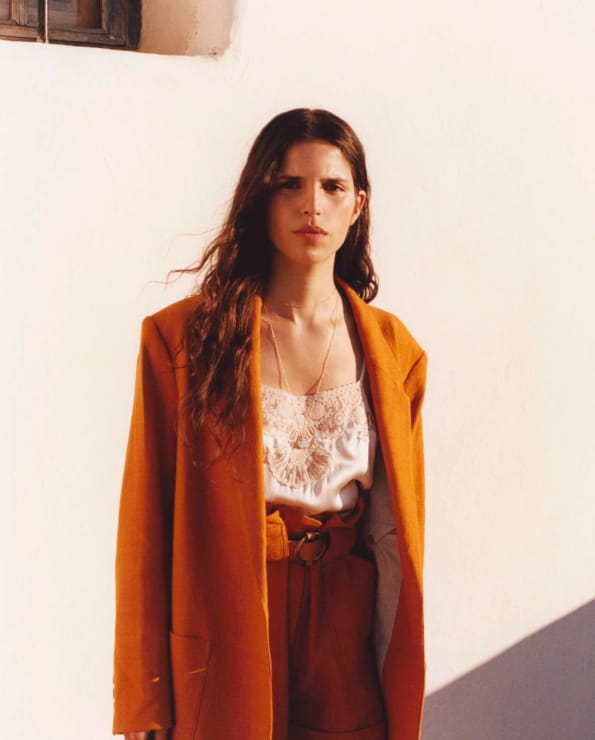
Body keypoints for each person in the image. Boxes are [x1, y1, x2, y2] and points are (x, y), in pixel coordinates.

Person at [112, 108, 428, 740]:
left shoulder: (395, 351)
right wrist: (146, 699)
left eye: (332, 186)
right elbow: (146, 527)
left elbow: (396, 530)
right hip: (229, 617)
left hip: (345, 625)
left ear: (358, 204)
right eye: (290, 184)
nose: (312, 205)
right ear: (261, 196)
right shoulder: (182, 340)